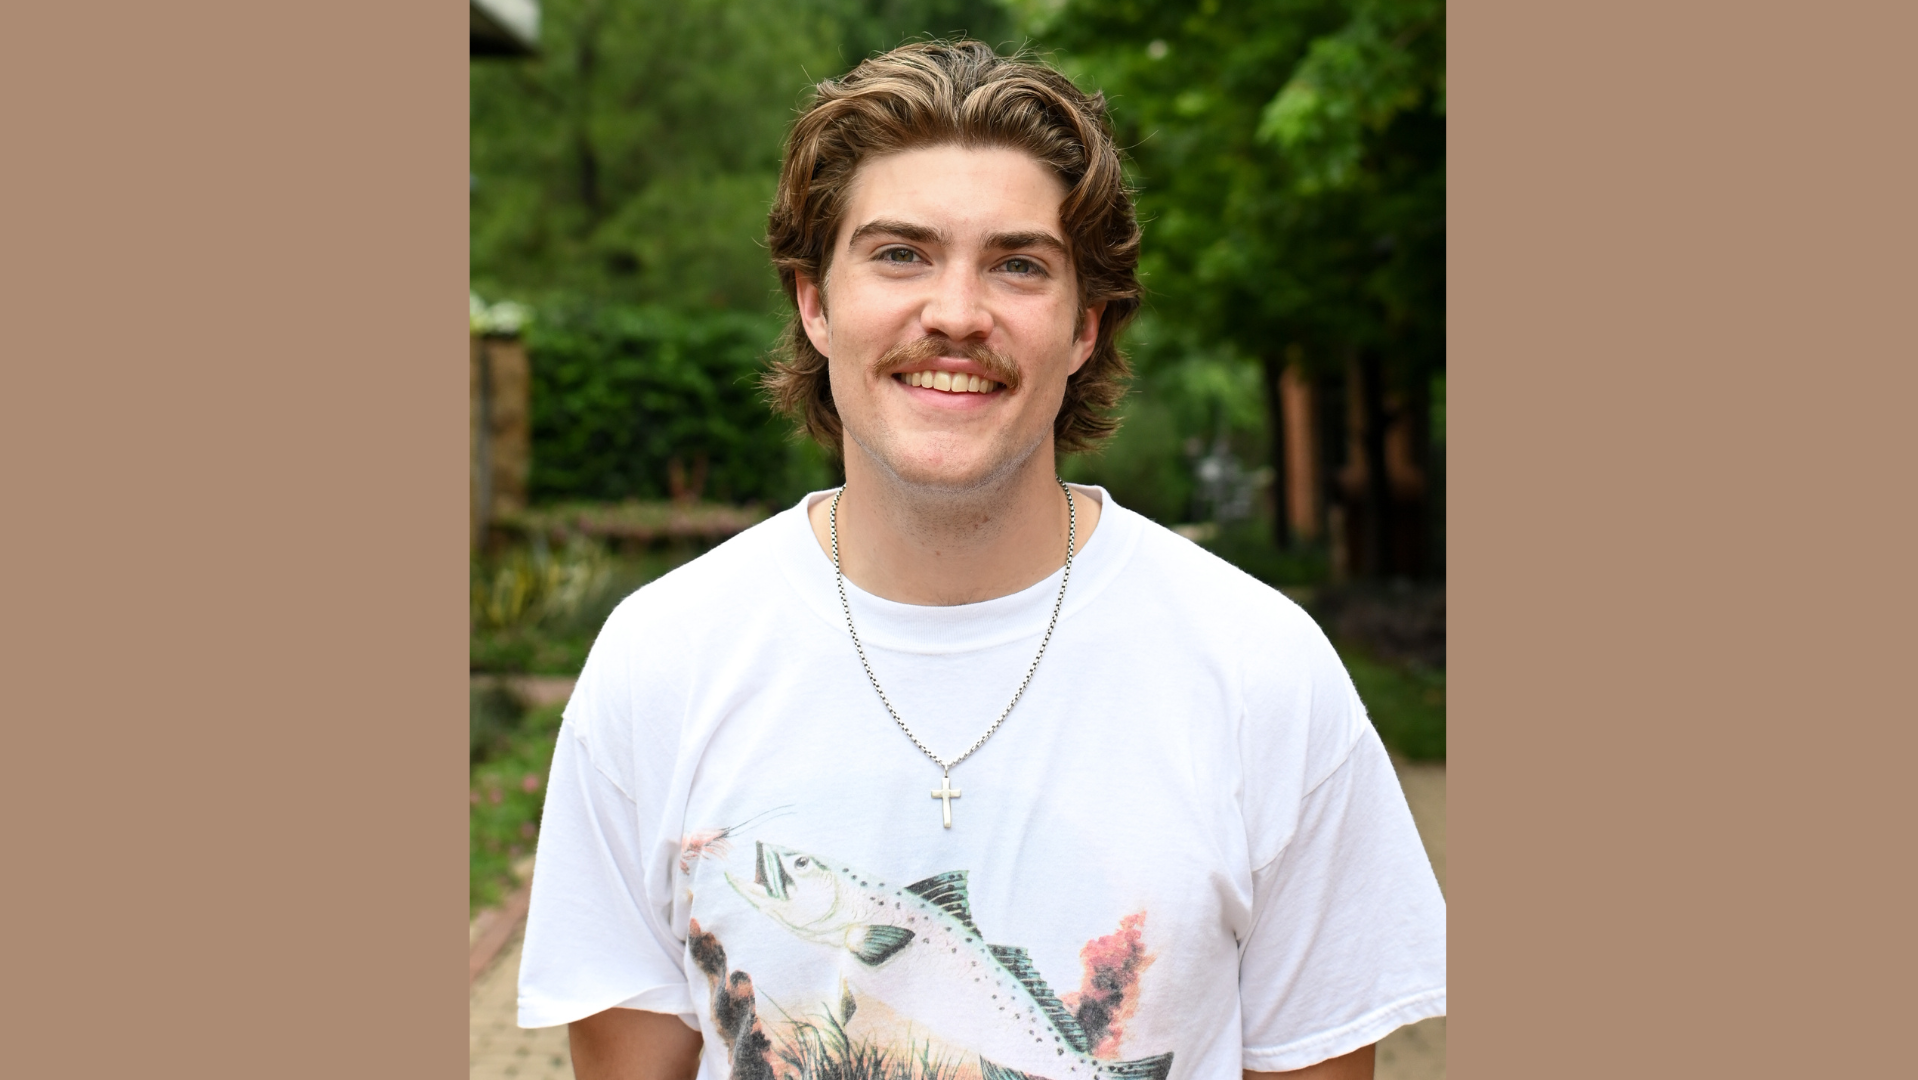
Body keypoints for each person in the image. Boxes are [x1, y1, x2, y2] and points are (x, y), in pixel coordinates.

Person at [518, 41, 1445, 1080]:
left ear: (1087, 325)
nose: (957, 313)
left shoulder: (1262, 670)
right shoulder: (663, 659)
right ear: (814, 304)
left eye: (1018, 264)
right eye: (900, 253)